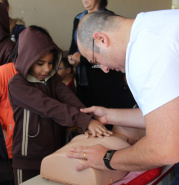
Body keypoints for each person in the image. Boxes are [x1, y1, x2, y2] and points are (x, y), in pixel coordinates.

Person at [66, 10, 179, 184]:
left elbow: (165, 149)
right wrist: (108, 115)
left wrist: (107, 158)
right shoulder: (157, 23)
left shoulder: (145, 52)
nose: (104, 69)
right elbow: (166, 118)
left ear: (101, 39)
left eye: (95, 61)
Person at [8, 26, 112, 185]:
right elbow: (47, 106)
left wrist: (87, 118)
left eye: (50, 63)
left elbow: (69, 98)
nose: (47, 69)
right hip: (27, 158)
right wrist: (82, 120)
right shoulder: (17, 84)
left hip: (55, 154)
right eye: (40, 63)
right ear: (26, 59)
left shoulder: (52, 79)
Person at [68, 0, 135, 110]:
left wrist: (81, 58)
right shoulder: (78, 18)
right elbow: (74, 46)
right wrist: (72, 57)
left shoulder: (107, 18)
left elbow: (108, 54)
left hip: (103, 78)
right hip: (84, 74)